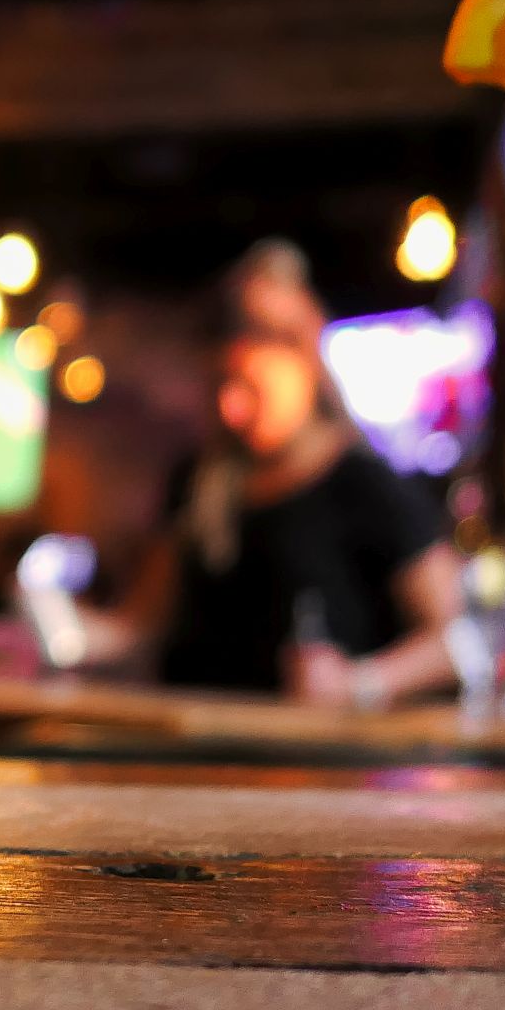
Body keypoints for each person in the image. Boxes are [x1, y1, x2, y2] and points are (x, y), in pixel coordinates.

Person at [85, 268, 466, 710]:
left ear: (301, 362)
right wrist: (61, 631)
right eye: (218, 385)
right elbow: (142, 624)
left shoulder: (364, 484)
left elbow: (455, 643)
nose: (231, 408)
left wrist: (360, 682)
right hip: (195, 741)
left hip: (312, 751)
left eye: (247, 383)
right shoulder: (196, 481)